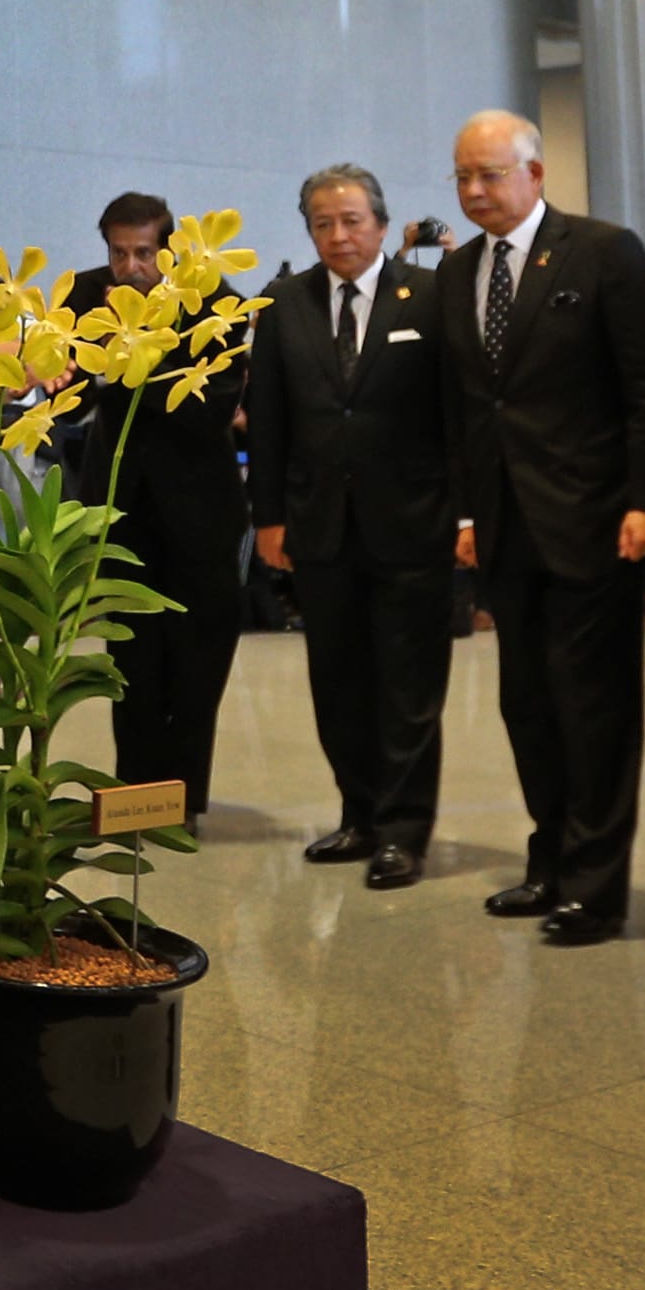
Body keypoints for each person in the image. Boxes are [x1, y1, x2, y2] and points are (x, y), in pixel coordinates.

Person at [435, 107, 645, 946]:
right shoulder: (456, 270)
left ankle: (596, 887)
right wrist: (465, 511)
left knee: (594, 708)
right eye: (463, 175)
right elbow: (465, 409)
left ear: (534, 174)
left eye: (490, 173)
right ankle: (548, 861)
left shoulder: (603, 251)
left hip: (595, 520)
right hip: (504, 526)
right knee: (527, 704)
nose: (473, 190)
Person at [245, 163, 454, 887]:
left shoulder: (428, 295)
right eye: (322, 223)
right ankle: (358, 814)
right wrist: (267, 518)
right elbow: (268, 421)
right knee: (336, 679)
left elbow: (454, 413)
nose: (338, 235)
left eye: (352, 220)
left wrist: (461, 514)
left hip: (411, 523)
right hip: (319, 528)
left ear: (381, 223)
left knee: (407, 683)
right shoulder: (282, 303)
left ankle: (403, 828)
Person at [55, 192, 250, 818]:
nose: (131, 267)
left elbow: (211, 410)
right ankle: (136, 799)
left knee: (197, 663)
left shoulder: (218, 302)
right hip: (122, 506)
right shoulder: (86, 296)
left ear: (169, 250)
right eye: (119, 253)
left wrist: (142, 344)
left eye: (144, 253)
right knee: (130, 662)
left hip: (202, 508)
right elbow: (74, 396)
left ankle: (184, 801)